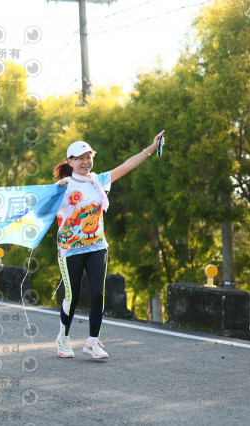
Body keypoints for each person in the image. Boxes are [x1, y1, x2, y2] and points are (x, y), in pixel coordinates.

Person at [53, 131, 165, 359]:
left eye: (89, 157)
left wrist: (152, 148)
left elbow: (127, 165)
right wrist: (58, 188)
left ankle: (92, 342)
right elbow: (38, 206)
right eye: (80, 158)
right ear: (70, 162)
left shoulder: (98, 180)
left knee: (98, 294)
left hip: (96, 246)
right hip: (70, 249)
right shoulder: (63, 186)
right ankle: (62, 338)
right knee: (72, 297)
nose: (86, 162)